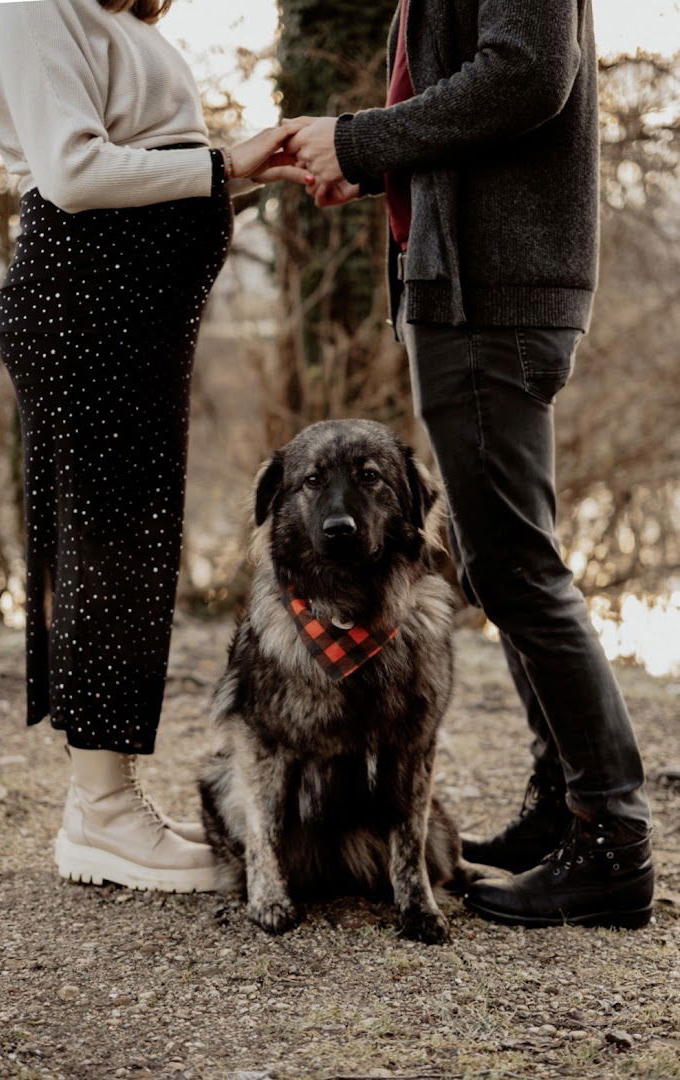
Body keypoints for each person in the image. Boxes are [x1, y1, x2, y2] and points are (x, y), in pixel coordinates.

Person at [286, 0, 655, 928]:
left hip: (493, 289)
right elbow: (461, 94)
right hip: (462, 283)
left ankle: (614, 839)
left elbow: (527, 72)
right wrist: (374, 164)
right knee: (502, 559)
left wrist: (361, 141)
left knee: (518, 565)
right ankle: (564, 805)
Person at [0, 0, 309, 894]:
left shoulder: (121, 24)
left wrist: (249, 173)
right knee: (106, 547)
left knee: (133, 546)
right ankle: (101, 812)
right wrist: (223, 162)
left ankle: (107, 803)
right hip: (86, 313)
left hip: (135, 322)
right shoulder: (28, 7)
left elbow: (152, 167)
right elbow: (76, 172)